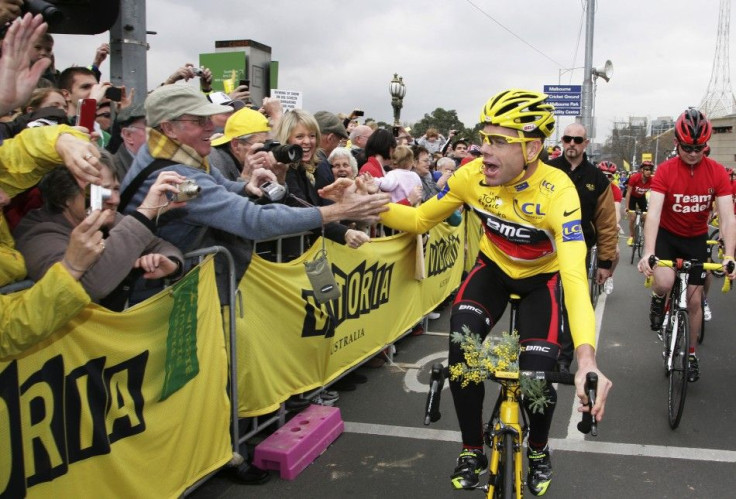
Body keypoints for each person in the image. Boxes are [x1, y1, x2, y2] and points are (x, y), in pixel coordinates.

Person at [375, 89, 612, 495]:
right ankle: (471, 449)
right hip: (493, 271)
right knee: (463, 349)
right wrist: (364, 205)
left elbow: (574, 276)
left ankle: (538, 449)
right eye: (485, 137)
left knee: (538, 375)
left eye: (500, 141)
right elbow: (417, 220)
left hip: (542, 281)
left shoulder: (559, 192)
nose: (484, 150)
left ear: (533, 148)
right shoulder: (470, 177)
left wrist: (587, 358)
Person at [119, 85, 389, 304]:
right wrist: (339, 212)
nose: (210, 128)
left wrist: (246, 187)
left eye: (208, 119)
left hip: (179, 286)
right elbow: (253, 220)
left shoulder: (172, 153)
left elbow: (217, 187)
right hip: (164, 296)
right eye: (199, 121)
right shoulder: (177, 174)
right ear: (168, 128)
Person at [637, 108, 736, 383]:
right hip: (668, 237)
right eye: (687, 147)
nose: (693, 153)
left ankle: (691, 354)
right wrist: (648, 252)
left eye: (699, 148)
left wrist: (729, 255)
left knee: (694, 301)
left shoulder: (716, 172)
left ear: (706, 146)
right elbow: (654, 213)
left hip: (695, 239)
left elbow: (728, 217)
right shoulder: (666, 171)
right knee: (665, 283)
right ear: (676, 144)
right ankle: (658, 301)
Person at [14, 156, 186, 311]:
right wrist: (145, 213)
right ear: (64, 196)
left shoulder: (107, 219)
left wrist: (172, 266)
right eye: (101, 193)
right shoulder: (38, 236)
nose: (115, 200)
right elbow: (92, 286)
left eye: (116, 189)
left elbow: (160, 246)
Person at [548, 123, 617, 370]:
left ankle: (564, 358)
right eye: (568, 139)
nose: (572, 144)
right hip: (544, 248)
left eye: (578, 140)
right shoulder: (547, 170)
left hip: (578, 250)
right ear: (562, 141)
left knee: (572, 304)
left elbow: (607, 223)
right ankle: (541, 349)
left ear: (586, 144)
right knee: (544, 300)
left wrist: (605, 262)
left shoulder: (597, 179)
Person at [273, 108, 369, 258]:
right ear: (287, 139)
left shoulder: (312, 165)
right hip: (289, 257)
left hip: (315, 252)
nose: (307, 141)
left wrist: (356, 204)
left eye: (312, 136)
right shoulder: (282, 168)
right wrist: (344, 232)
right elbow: (302, 210)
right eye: (299, 136)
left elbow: (323, 207)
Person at [597, 160, 622, 294]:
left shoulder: (615, 190)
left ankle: (610, 276)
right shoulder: (592, 184)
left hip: (607, 224)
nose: (606, 178)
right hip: (591, 223)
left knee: (616, 252)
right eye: (603, 174)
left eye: (610, 175)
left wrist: (615, 223)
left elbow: (617, 211)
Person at [313, 110, 349, 190]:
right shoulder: (321, 163)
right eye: (338, 142)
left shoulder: (297, 156)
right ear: (330, 138)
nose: (337, 147)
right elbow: (326, 200)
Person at [624, 160, 654, 245]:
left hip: (642, 198)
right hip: (632, 197)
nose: (649, 172)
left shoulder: (652, 180)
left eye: (650, 170)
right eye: (647, 169)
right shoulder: (634, 178)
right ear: (642, 170)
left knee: (645, 217)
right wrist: (626, 207)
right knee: (632, 218)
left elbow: (654, 194)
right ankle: (632, 236)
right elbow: (628, 193)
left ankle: (645, 235)